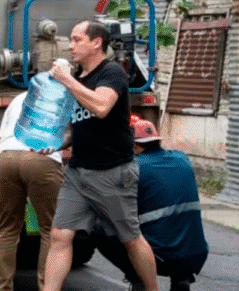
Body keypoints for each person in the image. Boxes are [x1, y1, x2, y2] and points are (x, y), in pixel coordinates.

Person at [42, 19, 159, 291]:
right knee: (59, 234)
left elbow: (101, 107)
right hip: (78, 171)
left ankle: (152, 289)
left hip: (112, 171)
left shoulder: (112, 73)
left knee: (130, 238)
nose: (70, 46)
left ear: (97, 42)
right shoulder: (79, 80)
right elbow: (79, 125)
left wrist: (67, 80)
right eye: (70, 40)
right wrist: (56, 143)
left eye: (76, 39)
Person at [89, 119, 208, 291]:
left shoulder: (133, 168)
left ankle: (139, 277)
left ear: (134, 146)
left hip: (160, 257)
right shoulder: (183, 159)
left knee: (99, 228)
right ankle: (182, 279)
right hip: (195, 255)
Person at [0, 91, 64, 291]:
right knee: (51, 230)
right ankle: (47, 286)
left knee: (7, 228)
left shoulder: (21, 97)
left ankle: (1, 288)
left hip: (6, 156)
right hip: (41, 158)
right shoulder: (66, 94)